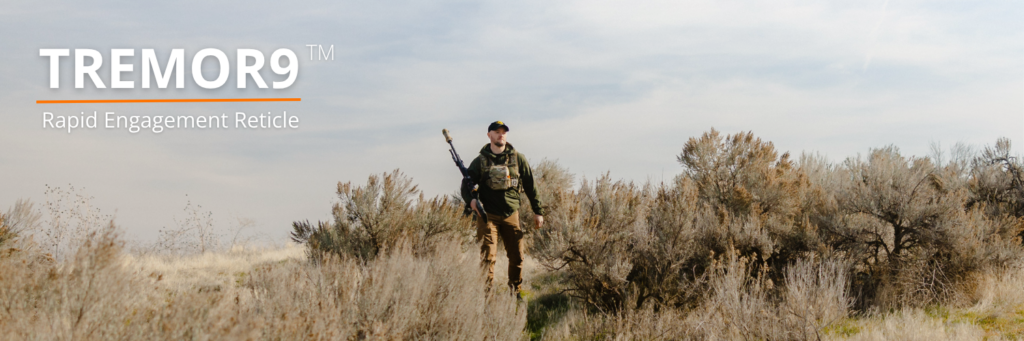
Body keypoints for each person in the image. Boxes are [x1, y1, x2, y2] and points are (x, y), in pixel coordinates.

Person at [462, 120, 545, 298]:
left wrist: (538, 211)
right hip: (487, 216)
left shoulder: (517, 158)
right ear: (489, 135)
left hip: (511, 214)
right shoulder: (480, 161)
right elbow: (466, 185)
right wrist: (472, 202)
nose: (501, 135)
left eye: (503, 132)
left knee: (517, 257)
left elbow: (531, 185)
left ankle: (515, 293)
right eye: (496, 132)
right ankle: (487, 296)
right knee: (488, 258)